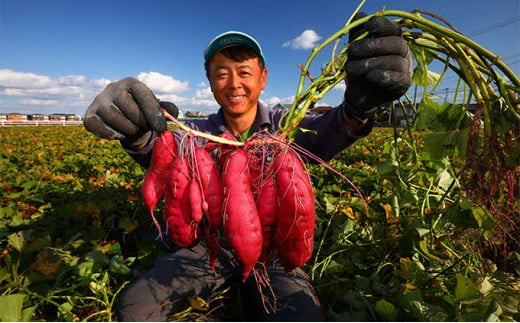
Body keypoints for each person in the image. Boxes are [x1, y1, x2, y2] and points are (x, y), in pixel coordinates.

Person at [83, 13, 413, 321]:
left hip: (276, 253)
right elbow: (159, 155)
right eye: (222, 73)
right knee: (134, 307)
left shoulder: (290, 127)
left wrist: (359, 108)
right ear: (210, 81)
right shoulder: (196, 134)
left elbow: (333, 130)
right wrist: (137, 133)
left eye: (244, 72)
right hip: (206, 249)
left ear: (263, 78)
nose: (234, 83)